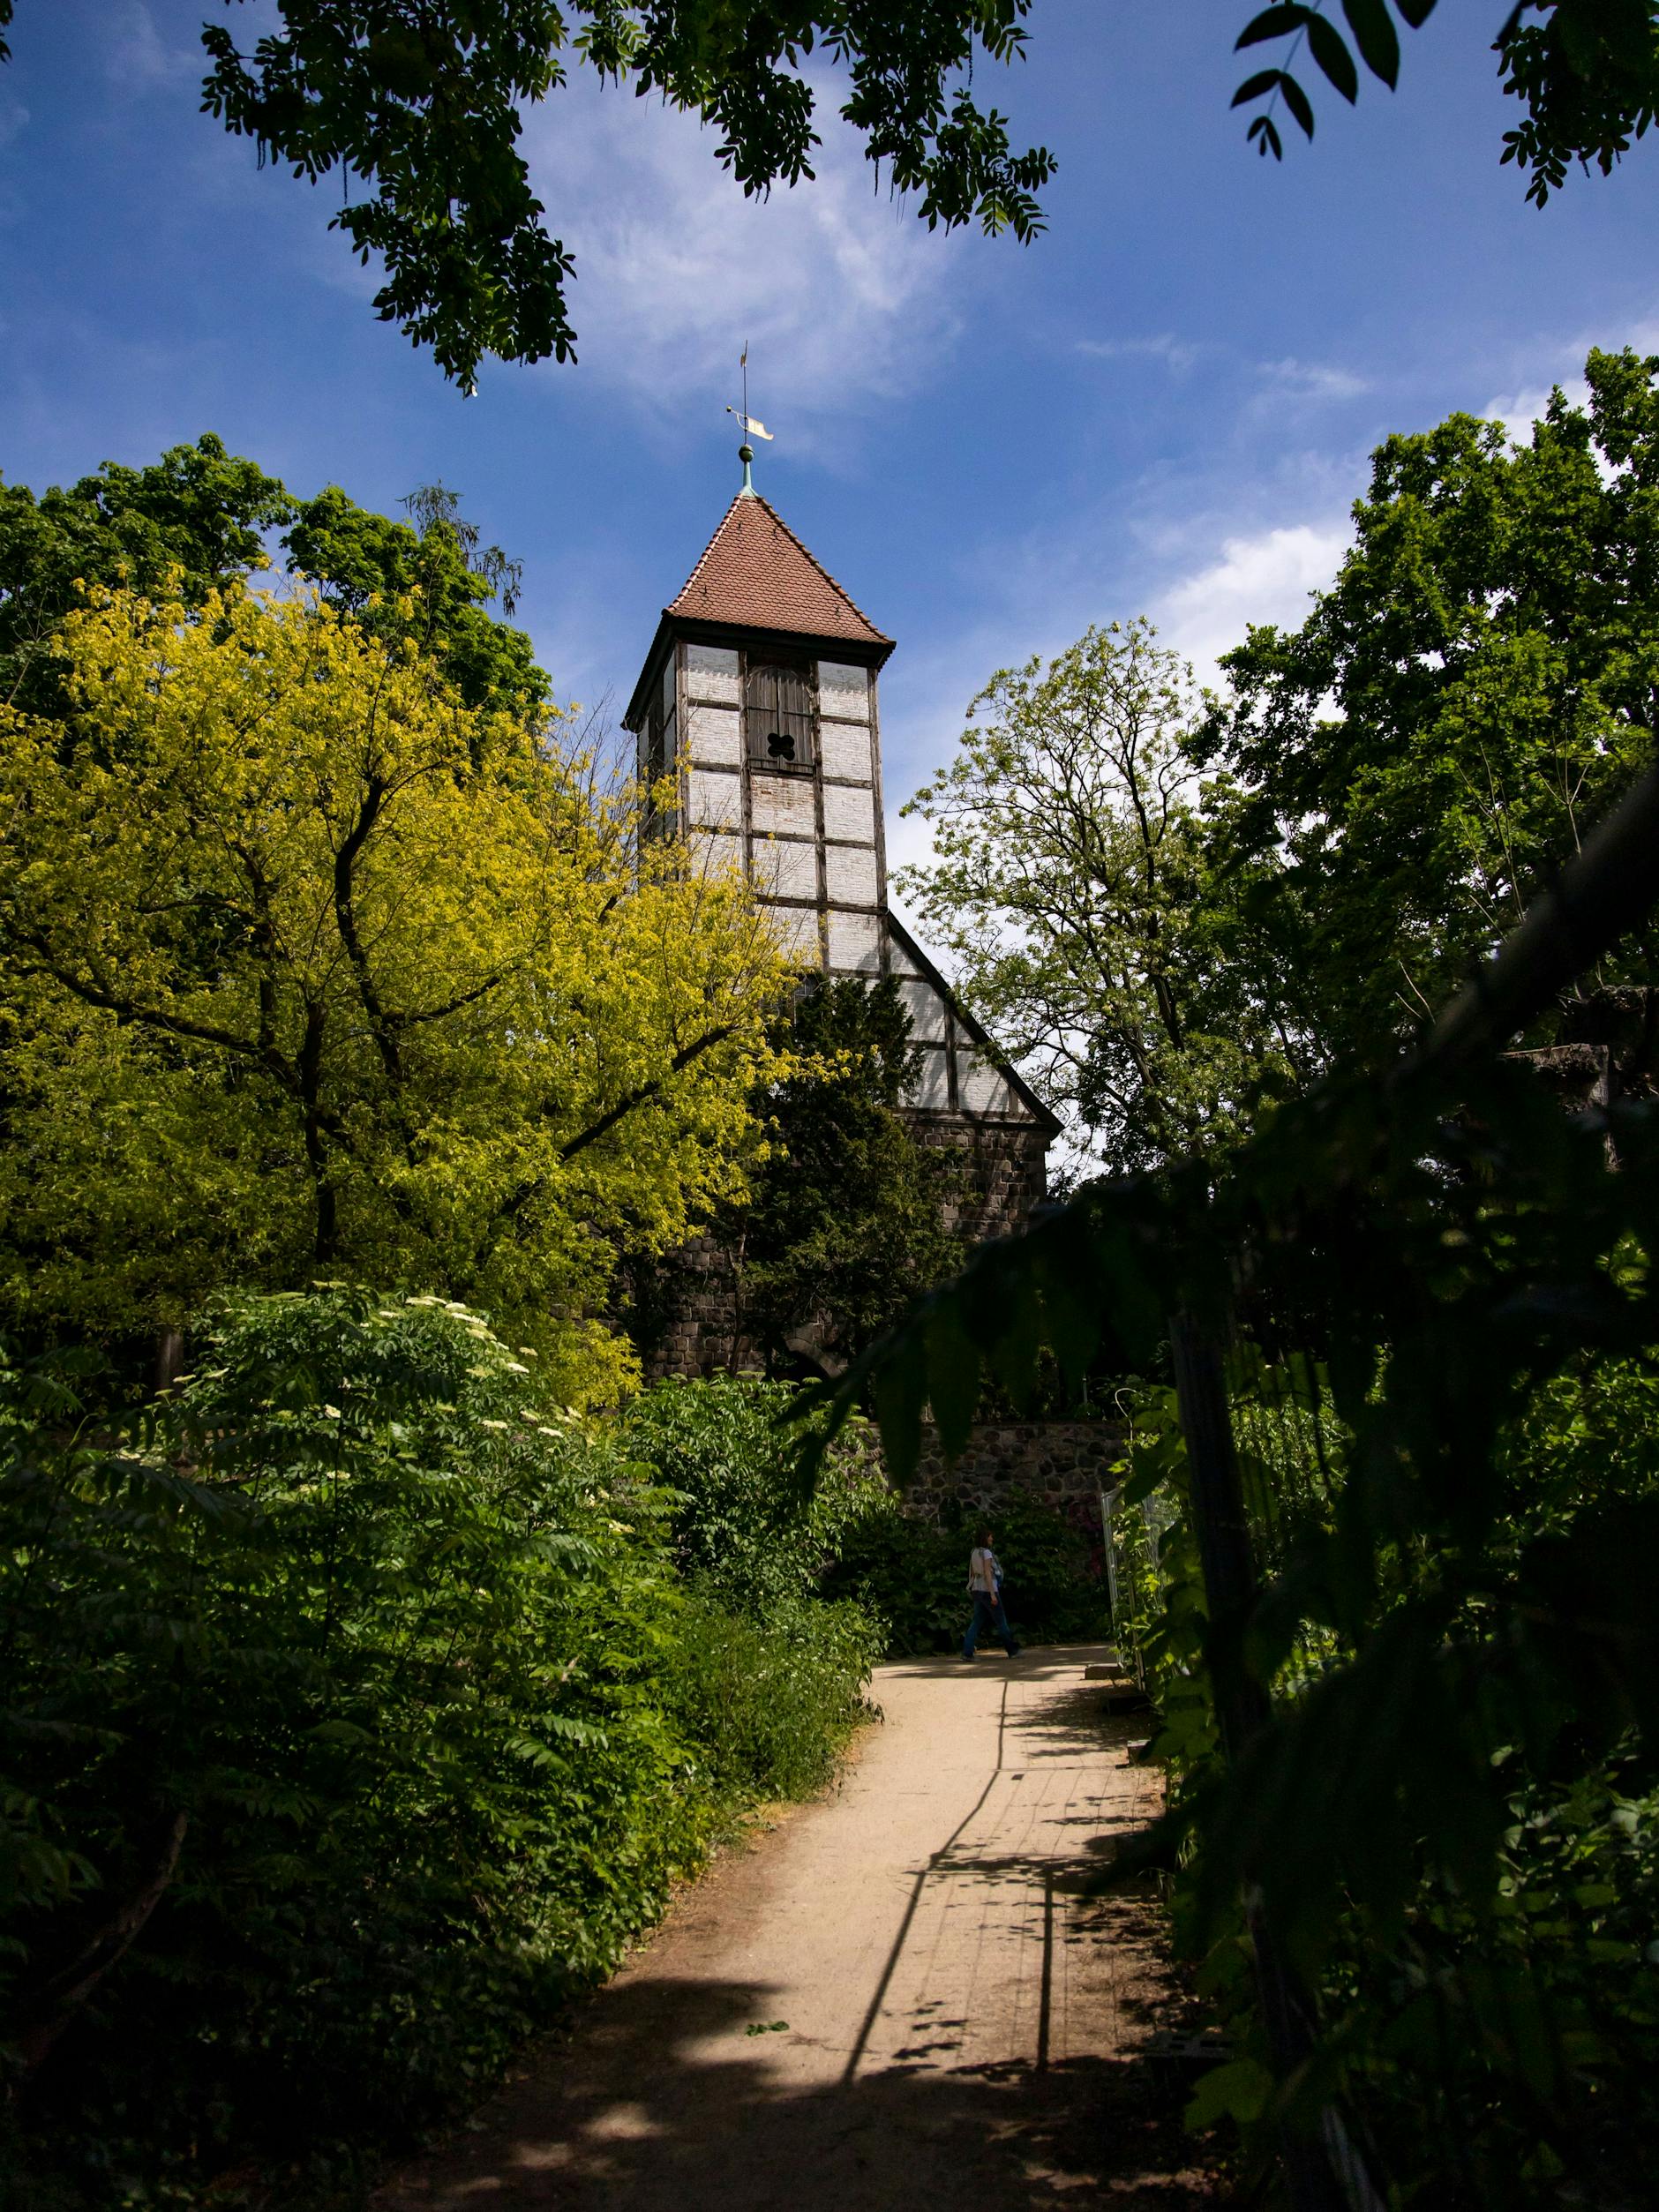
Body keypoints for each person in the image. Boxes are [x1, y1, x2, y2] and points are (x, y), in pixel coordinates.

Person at [961, 1526, 1021, 1660]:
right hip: (988, 1589)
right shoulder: (987, 1553)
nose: (992, 1539)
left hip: (977, 1589)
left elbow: (972, 1573)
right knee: (1001, 1621)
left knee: (976, 1622)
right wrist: (993, 1594)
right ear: (985, 1538)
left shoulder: (974, 1552)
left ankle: (967, 1652)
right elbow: (988, 1573)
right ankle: (1011, 1650)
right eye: (990, 1536)